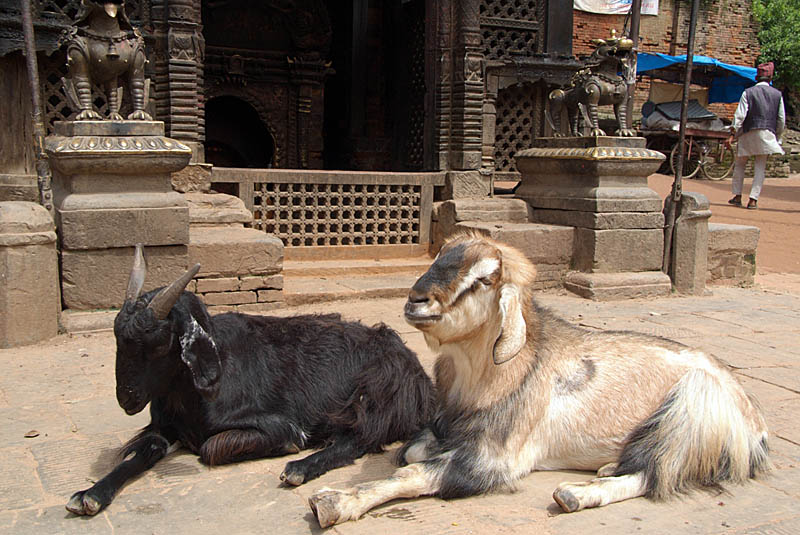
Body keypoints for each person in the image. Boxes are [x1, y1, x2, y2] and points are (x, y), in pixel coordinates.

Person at [728, 62, 786, 210]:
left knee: (740, 164)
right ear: (771, 77)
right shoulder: (777, 95)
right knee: (760, 167)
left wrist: (733, 133)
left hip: (748, 132)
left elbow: (740, 115)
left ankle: (737, 196)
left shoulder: (748, 92)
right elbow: (781, 119)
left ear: (756, 77)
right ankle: (753, 199)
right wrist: (777, 137)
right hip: (767, 133)